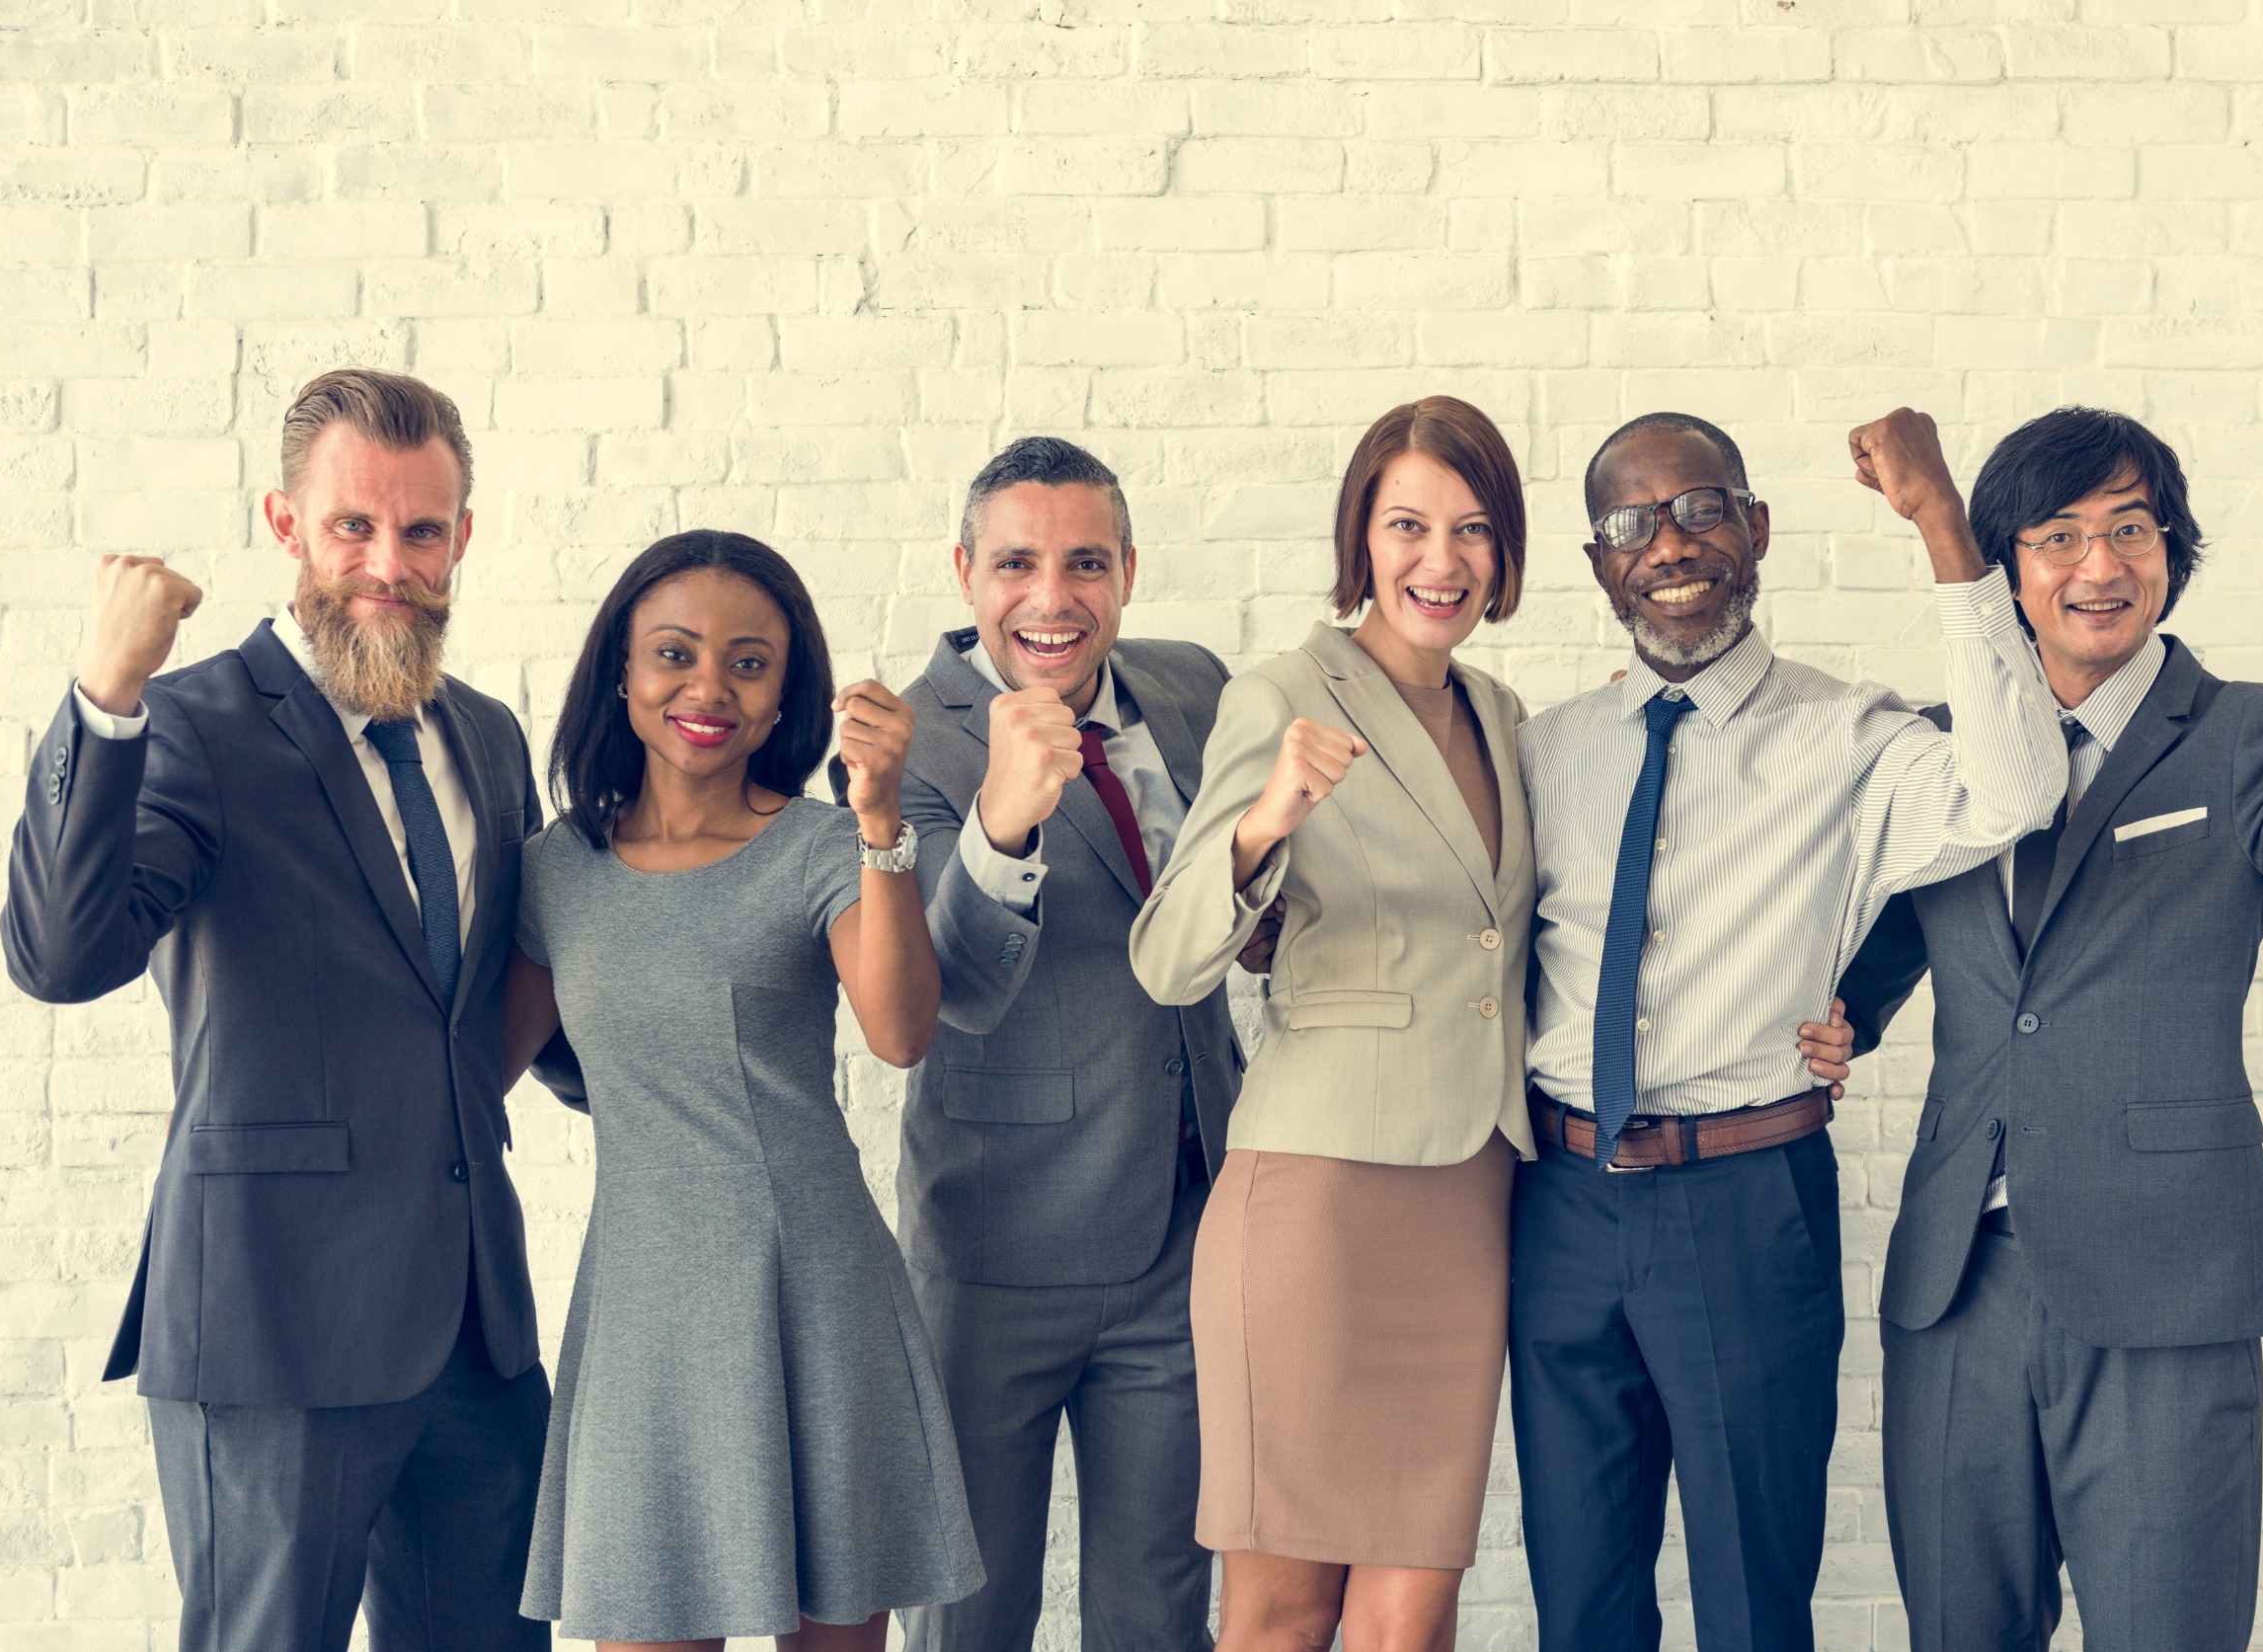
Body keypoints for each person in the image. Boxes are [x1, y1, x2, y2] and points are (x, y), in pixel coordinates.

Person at [1834, 410, 2263, 1652]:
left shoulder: (2244, 731)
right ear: (2004, 565)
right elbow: (1865, 952)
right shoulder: (1938, 748)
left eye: (2128, 529)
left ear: (2171, 548)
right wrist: (1822, 1021)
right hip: (1956, 1285)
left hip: (2166, 1282)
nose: (2097, 565)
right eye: (2056, 535)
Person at [0, 368, 565, 1651]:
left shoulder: (487, 737)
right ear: (285, 524)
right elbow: (58, 953)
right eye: (352, 526)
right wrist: (105, 693)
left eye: (421, 530)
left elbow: (509, 1004)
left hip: (475, 1326)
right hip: (273, 1323)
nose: (388, 564)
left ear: (463, 538)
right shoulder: (190, 726)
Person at [1510, 408, 2068, 1652]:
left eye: (1700, 507)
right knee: (1577, 1596)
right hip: (1557, 1201)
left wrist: (1941, 523)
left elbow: (2020, 787)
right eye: (1630, 522)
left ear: (1755, 529)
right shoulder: (1541, 750)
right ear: (1597, 561)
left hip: (1744, 1200)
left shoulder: (1853, 736)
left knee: (1752, 1600)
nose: (1668, 542)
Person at [501, 531, 983, 1650]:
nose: (708, 687)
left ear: (783, 698)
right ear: (621, 672)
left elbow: (902, 1032)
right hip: (643, 1312)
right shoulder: (553, 869)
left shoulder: (823, 845)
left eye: (749, 663)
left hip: (811, 1291)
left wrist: (881, 821)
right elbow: (472, 1073)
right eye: (674, 653)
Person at [1130, 395, 1538, 1652]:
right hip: (1314, 1200)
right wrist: (1266, 822)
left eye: (1471, 528)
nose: (1440, 559)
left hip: (1468, 1196)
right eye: (1407, 524)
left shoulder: (1504, 716)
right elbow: (1168, 958)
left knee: (1409, 1619)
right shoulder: (1281, 695)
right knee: (1280, 1612)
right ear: (1360, 534)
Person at [892, 436, 1239, 1652]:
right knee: (969, 1616)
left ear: (1128, 571)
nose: (1051, 597)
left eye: (1085, 562)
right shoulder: (910, 740)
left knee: (1158, 1613)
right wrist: (1001, 820)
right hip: (995, 1247)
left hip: (1183, 1231)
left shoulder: (1194, 688)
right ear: (964, 572)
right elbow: (945, 992)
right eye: (1015, 563)